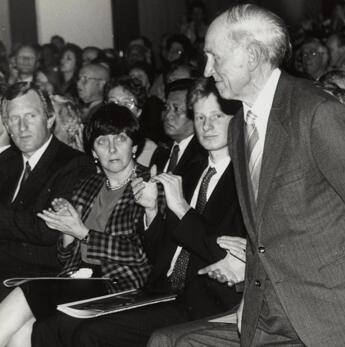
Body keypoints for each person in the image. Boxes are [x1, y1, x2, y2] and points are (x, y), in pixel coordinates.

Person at [161, 4, 345, 346]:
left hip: (336, 311)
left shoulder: (316, 112)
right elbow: (262, 228)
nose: (208, 70)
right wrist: (251, 302)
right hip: (272, 310)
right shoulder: (241, 122)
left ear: (252, 55)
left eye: (215, 57)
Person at [31, 77, 245, 347]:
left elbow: (220, 254)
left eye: (216, 116)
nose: (207, 125)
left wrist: (180, 208)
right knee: (46, 329)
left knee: (88, 334)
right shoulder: (188, 173)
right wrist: (152, 211)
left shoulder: (243, 180)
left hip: (204, 298)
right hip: (161, 290)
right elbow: (159, 251)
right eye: (200, 117)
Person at [0, 103, 152, 346]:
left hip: (121, 285)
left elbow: (143, 252)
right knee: (23, 333)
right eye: (102, 141)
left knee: (28, 292)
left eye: (120, 139)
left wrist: (81, 232)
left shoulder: (150, 186)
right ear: (93, 150)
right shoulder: (88, 186)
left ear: (134, 146)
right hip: (79, 281)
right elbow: (66, 257)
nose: (112, 148)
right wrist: (68, 234)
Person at [0, 83, 94, 300]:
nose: (22, 127)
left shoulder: (74, 164)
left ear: (50, 119)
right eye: (14, 119)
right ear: (7, 125)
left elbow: (46, 228)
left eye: (31, 116)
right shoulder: (6, 162)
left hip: (38, 278)